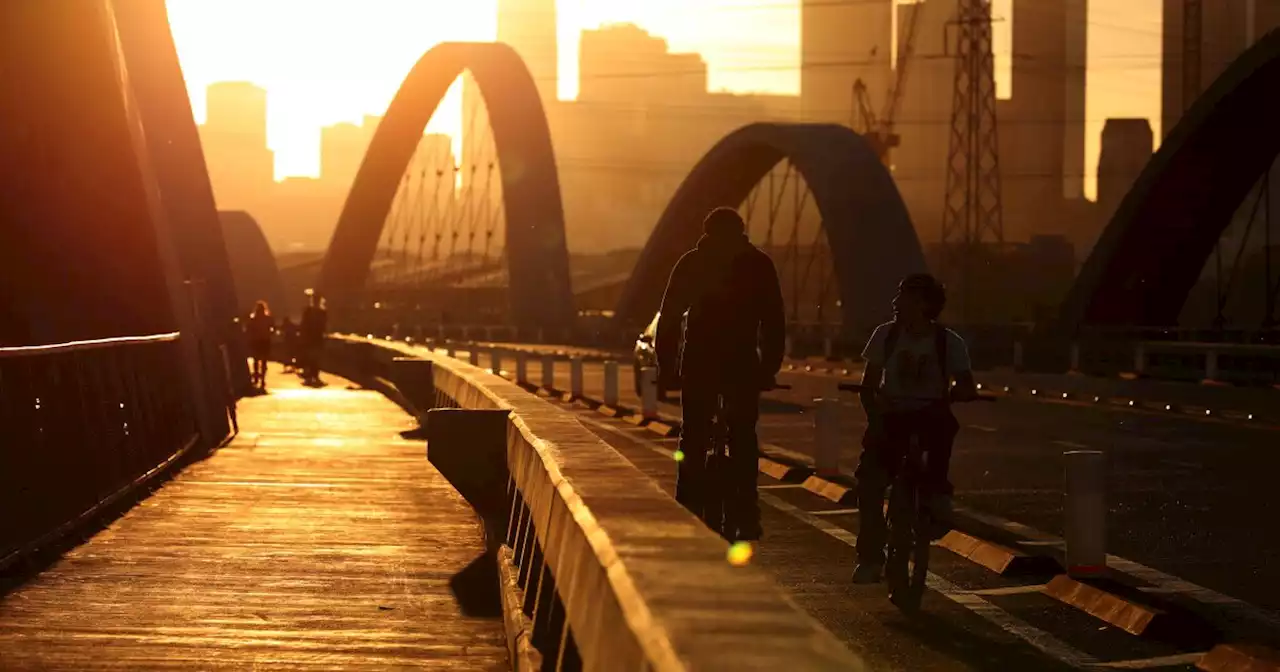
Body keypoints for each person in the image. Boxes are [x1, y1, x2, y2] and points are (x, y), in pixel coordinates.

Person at [655, 207, 785, 542]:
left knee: (694, 434)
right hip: (741, 362)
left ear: (707, 232)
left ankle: (685, 504)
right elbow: (774, 321)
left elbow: (668, 318)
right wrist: (769, 367)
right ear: (742, 230)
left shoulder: (692, 262)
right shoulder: (759, 264)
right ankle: (747, 508)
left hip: (699, 361)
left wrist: (666, 368)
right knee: (743, 435)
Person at [851, 273, 978, 584]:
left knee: (941, 435)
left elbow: (965, 383)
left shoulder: (949, 342)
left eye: (904, 296)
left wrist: (963, 390)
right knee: (869, 483)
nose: (896, 303)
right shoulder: (885, 335)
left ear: (923, 304)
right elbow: (869, 386)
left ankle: (937, 500)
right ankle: (870, 557)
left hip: (929, 416)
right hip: (892, 417)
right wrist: (875, 417)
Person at [299, 291, 328, 385]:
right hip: (317, 338)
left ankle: (311, 375)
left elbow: (303, 324)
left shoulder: (308, 311)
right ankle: (314, 375)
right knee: (316, 358)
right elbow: (324, 326)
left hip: (310, 338)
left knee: (311, 357)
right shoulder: (322, 312)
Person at [245, 301, 274, 390]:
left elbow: (249, 329)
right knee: (264, 361)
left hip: (256, 340)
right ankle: (262, 380)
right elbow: (272, 328)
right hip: (265, 340)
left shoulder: (253, 319)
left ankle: (257, 377)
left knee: (256, 360)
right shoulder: (268, 318)